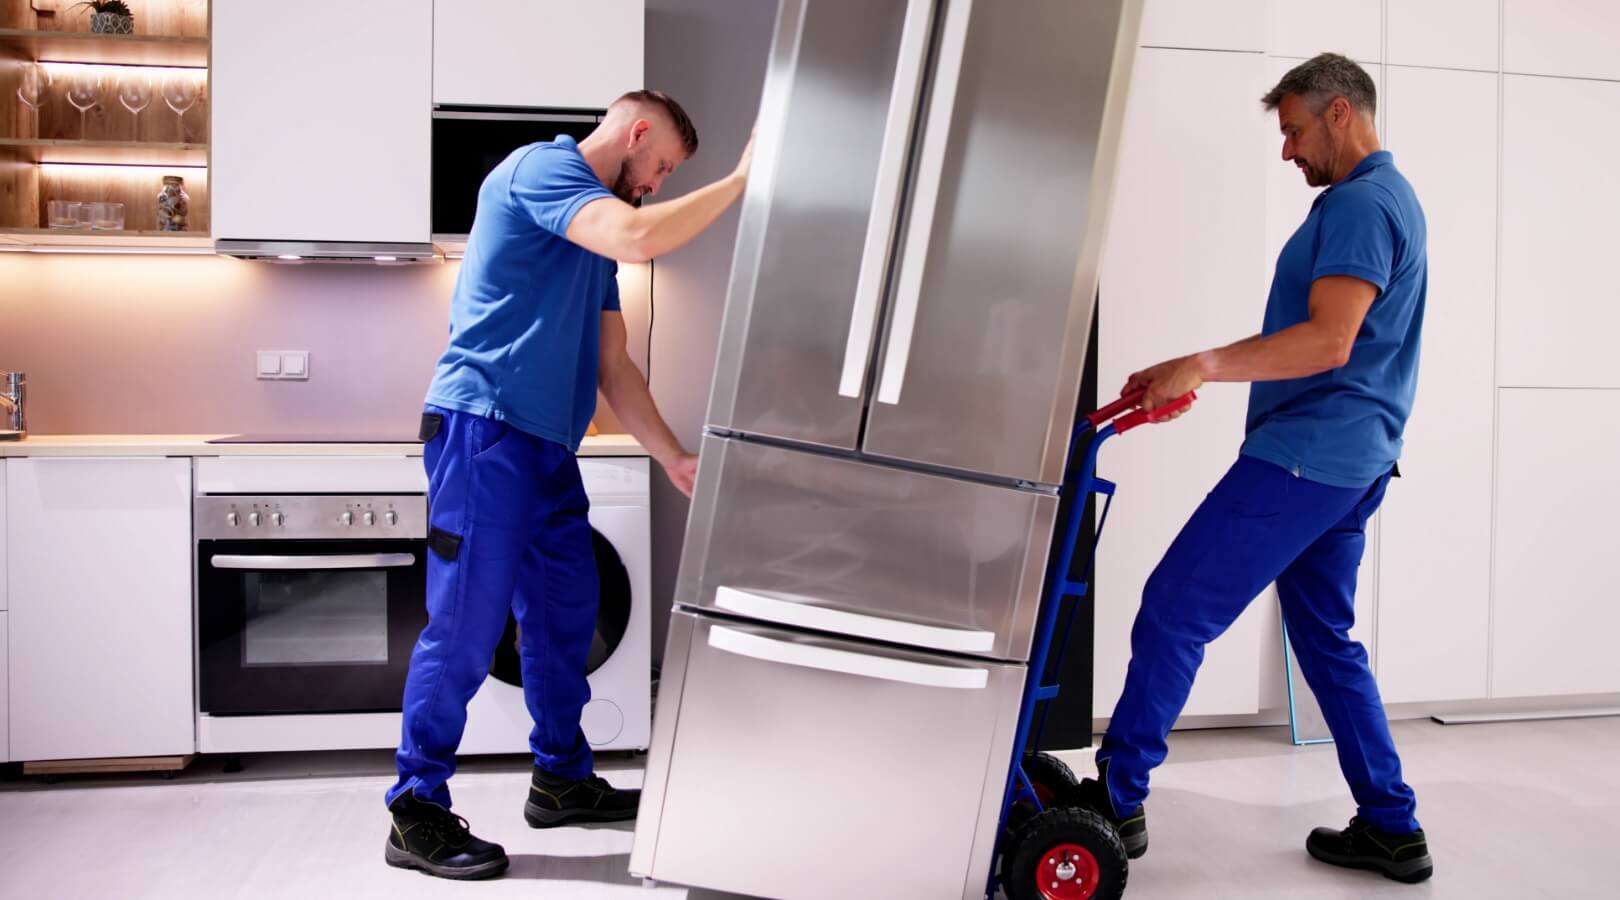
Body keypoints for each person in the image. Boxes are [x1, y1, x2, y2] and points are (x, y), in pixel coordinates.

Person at [1071, 53, 1434, 885]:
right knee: (1326, 641)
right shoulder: (1389, 200)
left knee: (1172, 609)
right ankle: (1391, 824)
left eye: (1296, 131)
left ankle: (1118, 800)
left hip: (1308, 457)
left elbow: (1329, 341)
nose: (1288, 152)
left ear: (1341, 113)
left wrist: (1200, 364)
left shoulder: (1360, 204)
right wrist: (1196, 368)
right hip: (1353, 462)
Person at [383, 89, 754, 881]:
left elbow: (613, 366)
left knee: (564, 615)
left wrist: (674, 457)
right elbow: (640, 238)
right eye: (658, 168)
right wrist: (739, 183)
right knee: (466, 626)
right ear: (636, 131)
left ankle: (561, 778)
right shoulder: (542, 172)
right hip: (483, 432)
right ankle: (415, 809)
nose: (652, 186)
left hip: (546, 448)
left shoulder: (590, 235)